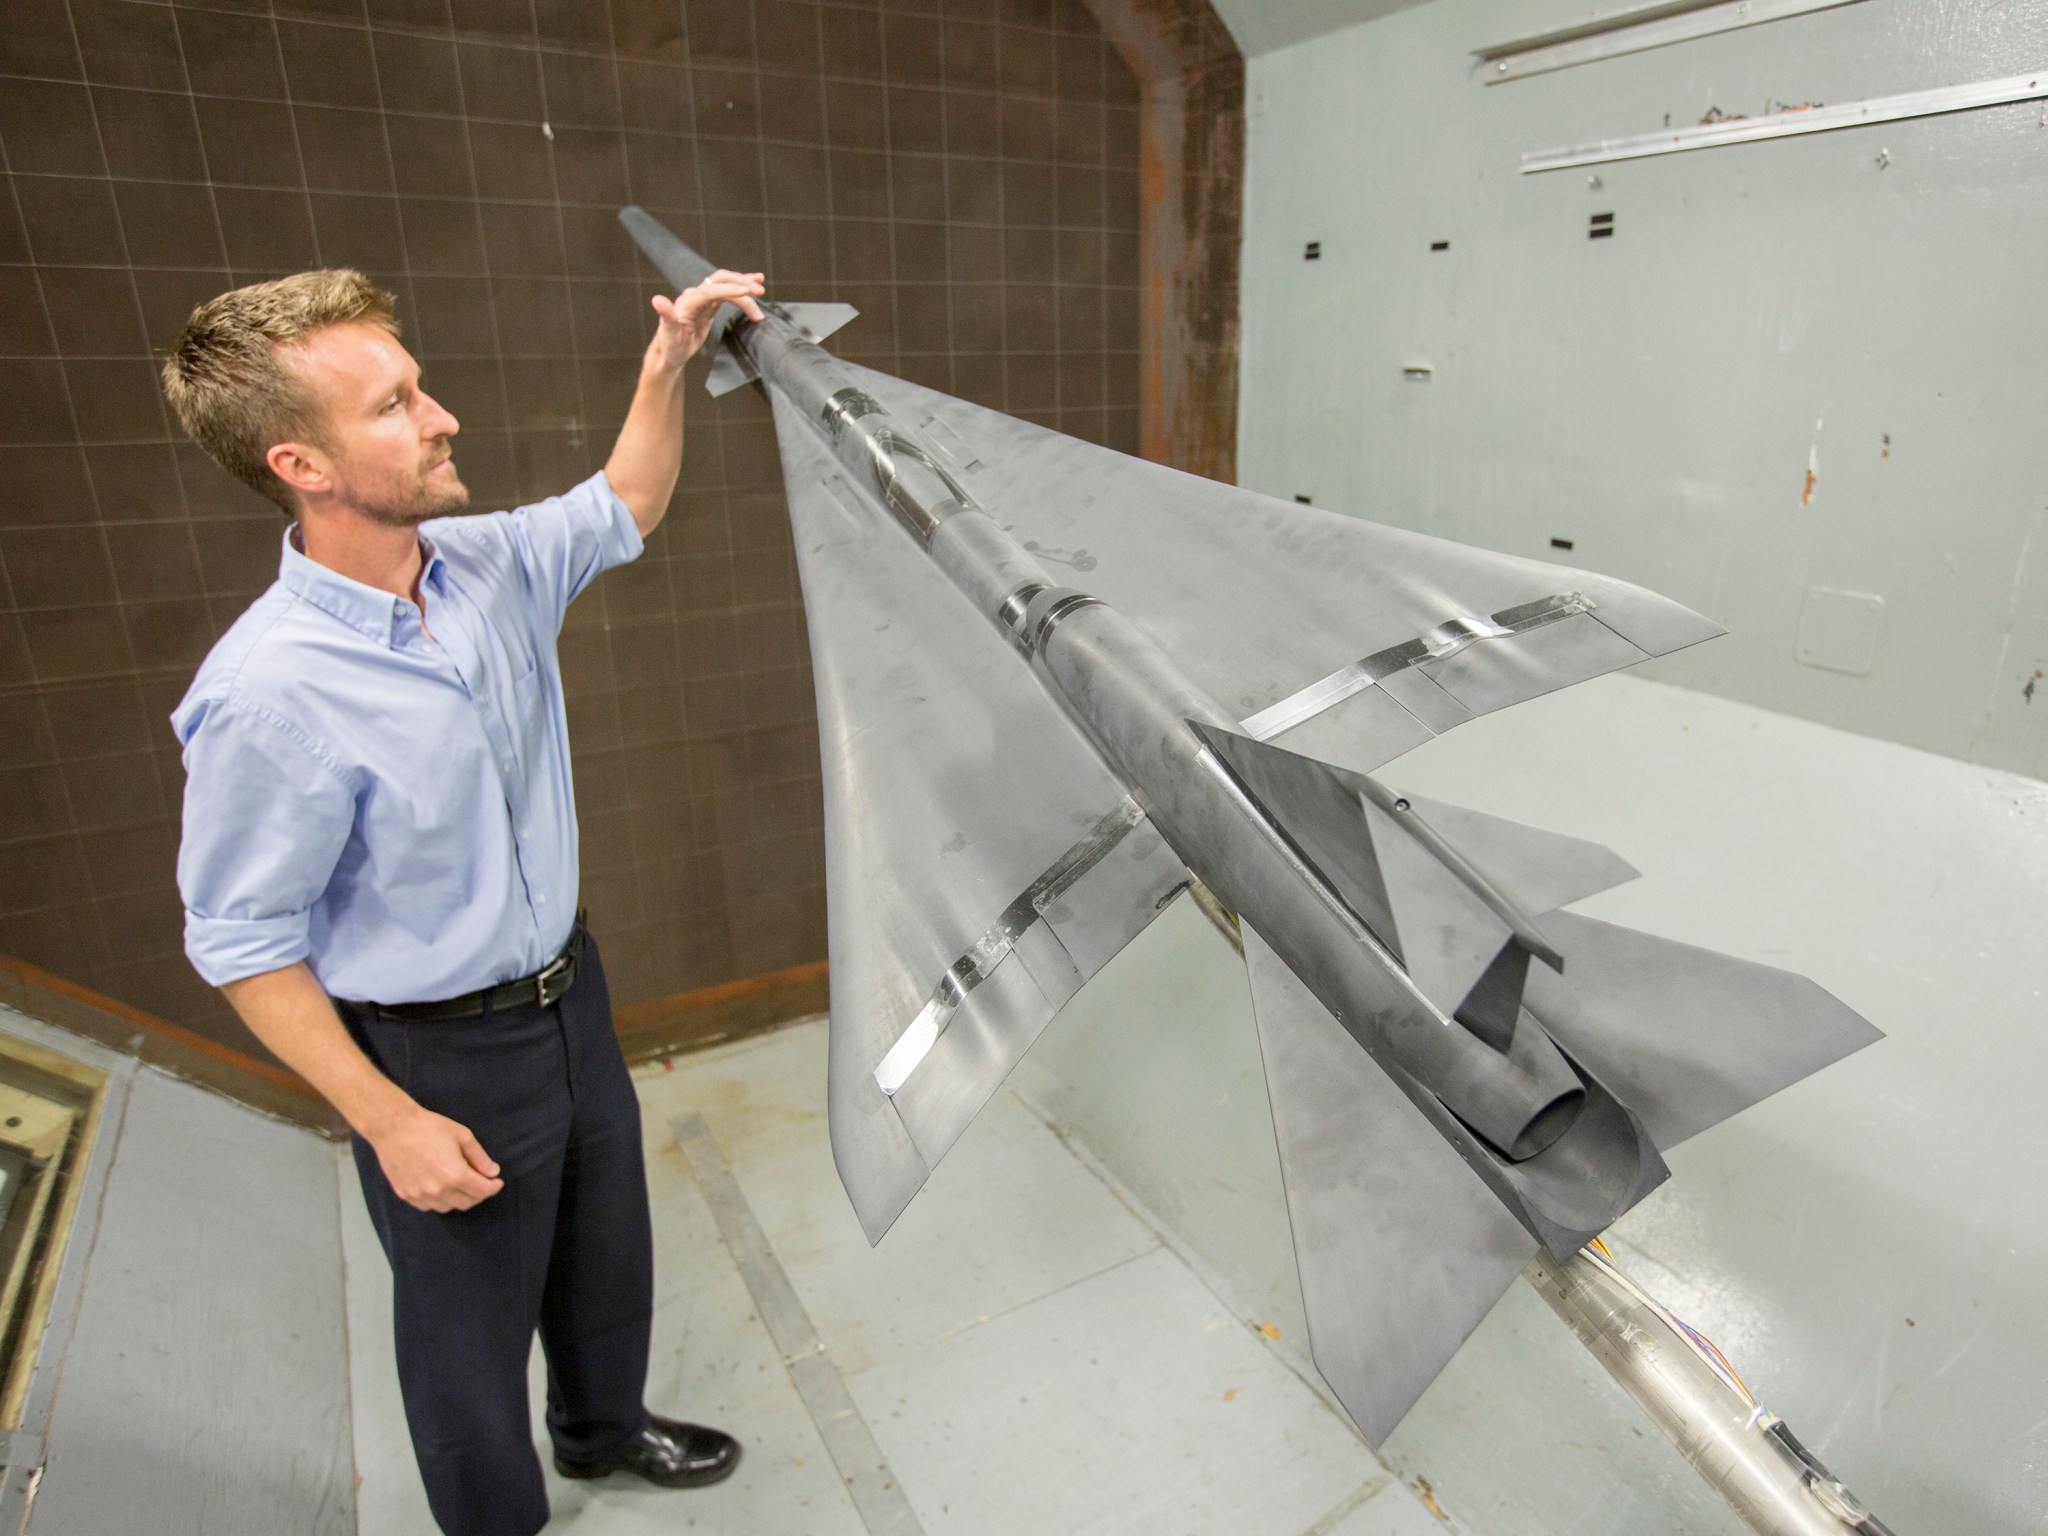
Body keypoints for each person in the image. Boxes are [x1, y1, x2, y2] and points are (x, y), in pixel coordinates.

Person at [160, 260, 766, 1536]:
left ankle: (604, 1431)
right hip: (437, 1057)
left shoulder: (481, 566)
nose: (440, 417)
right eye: (392, 406)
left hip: (568, 999)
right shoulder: (268, 695)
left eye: (418, 386)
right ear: (302, 466)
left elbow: (623, 505)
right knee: (463, 1349)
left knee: (606, 1259)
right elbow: (242, 943)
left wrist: (665, 367)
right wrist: (386, 1122)